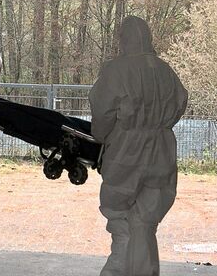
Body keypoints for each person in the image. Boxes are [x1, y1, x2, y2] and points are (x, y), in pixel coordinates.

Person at [88, 16, 188, 276]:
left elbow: (101, 114)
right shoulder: (164, 70)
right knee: (145, 219)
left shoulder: (116, 71)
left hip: (126, 150)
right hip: (161, 150)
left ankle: (118, 269)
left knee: (120, 215)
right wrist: (158, 126)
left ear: (125, 39)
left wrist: (105, 137)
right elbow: (179, 103)